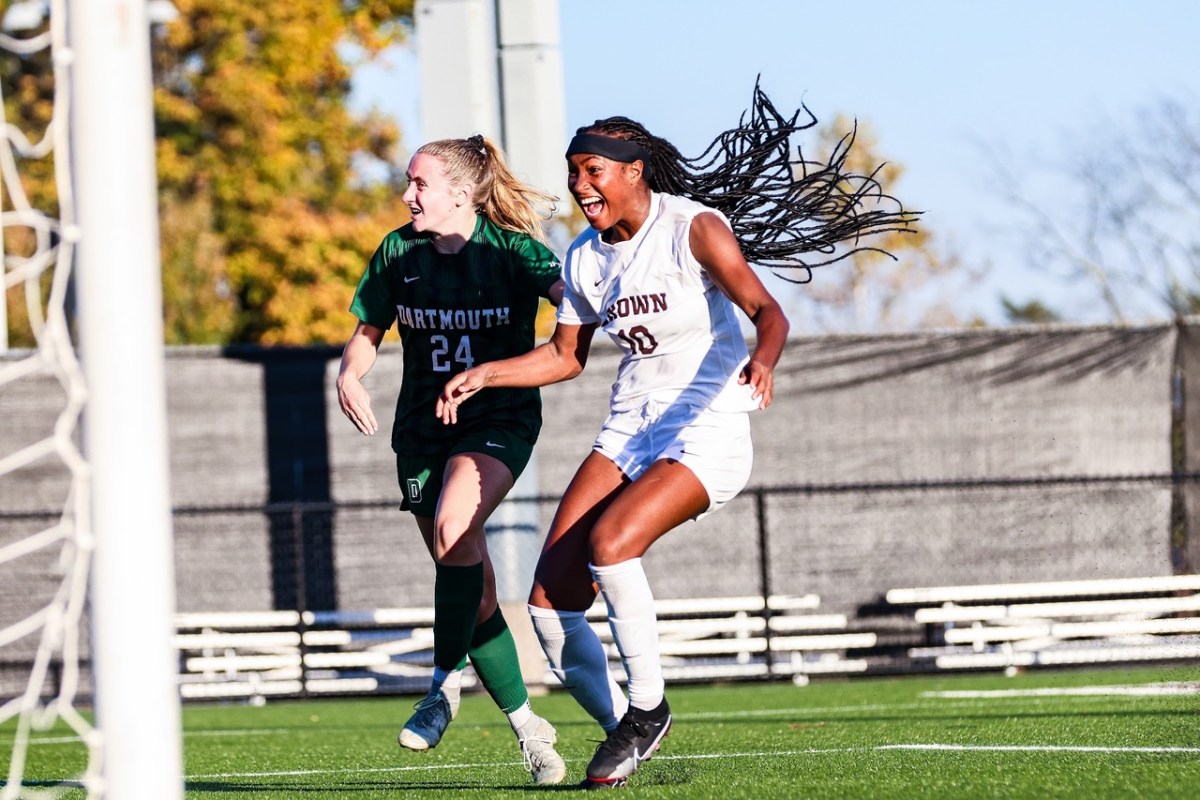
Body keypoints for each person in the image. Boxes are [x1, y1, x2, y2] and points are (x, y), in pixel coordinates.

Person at [437, 87, 916, 788]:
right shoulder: (582, 258)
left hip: (708, 425)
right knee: (548, 603)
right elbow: (565, 358)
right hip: (631, 426)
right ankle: (622, 733)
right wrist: (489, 373)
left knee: (612, 544)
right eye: (573, 171)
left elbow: (767, 310)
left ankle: (648, 709)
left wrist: (764, 357)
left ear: (634, 171)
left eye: (593, 170)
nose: (580, 184)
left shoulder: (692, 227)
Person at [336, 134, 567, 785]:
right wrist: (350, 374)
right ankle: (530, 728)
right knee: (473, 583)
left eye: (420, 183)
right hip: (421, 433)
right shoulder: (398, 251)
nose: (407, 194)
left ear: (461, 194)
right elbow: (366, 333)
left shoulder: (513, 250)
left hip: (498, 420)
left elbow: (572, 299)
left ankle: (439, 687)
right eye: (409, 182)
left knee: (451, 528)